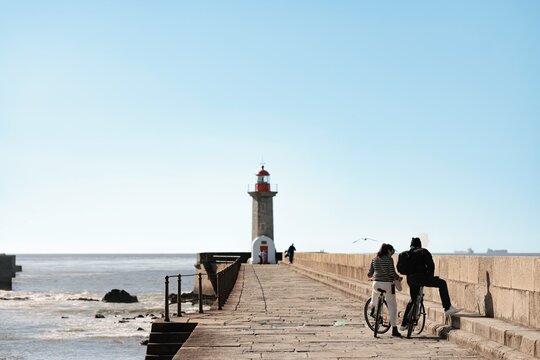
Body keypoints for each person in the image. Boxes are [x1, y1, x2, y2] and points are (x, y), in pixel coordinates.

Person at [399, 237, 460, 331]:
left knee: (413, 299)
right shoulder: (423, 251)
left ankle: (403, 324)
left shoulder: (404, 254)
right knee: (442, 283)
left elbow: (400, 269)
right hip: (422, 278)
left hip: (410, 279)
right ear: (420, 245)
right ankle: (447, 308)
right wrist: (429, 277)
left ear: (411, 245)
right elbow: (431, 265)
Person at [367, 243, 402, 338]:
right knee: (392, 305)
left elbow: (369, 274)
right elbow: (391, 273)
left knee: (375, 292)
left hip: (376, 283)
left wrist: (373, 275)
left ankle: (373, 308)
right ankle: (394, 329)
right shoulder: (389, 259)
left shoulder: (374, 259)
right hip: (387, 285)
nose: (392, 253)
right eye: (392, 251)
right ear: (388, 251)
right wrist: (398, 278)